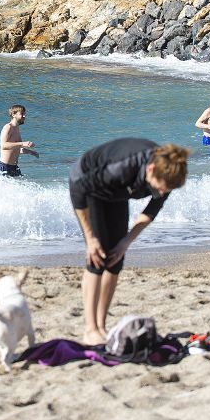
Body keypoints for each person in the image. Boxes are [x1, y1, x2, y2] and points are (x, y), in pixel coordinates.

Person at [69, 138, 189, 345]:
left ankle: (101, 326)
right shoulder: (123, 167)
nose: (162, 194)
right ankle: (90, 330)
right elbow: (79, 189)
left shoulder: (167, 176)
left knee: (115, 260)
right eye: (161, 189)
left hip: (116, 193)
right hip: (89, 187)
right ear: (150, 170)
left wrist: (126, 242)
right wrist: (90, 239)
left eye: (166, 191)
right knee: (97, 258)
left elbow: (151, 211)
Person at [0, 104, 38, 177]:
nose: (24, 116)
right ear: (14, 114)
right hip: (4, 167)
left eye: (24, 114)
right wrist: (22, 143)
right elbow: (4, 146)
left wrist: (31, 152)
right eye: (22, 114)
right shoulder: (8, 127)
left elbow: (17, 149)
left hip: (14, 168)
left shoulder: (17, 128)